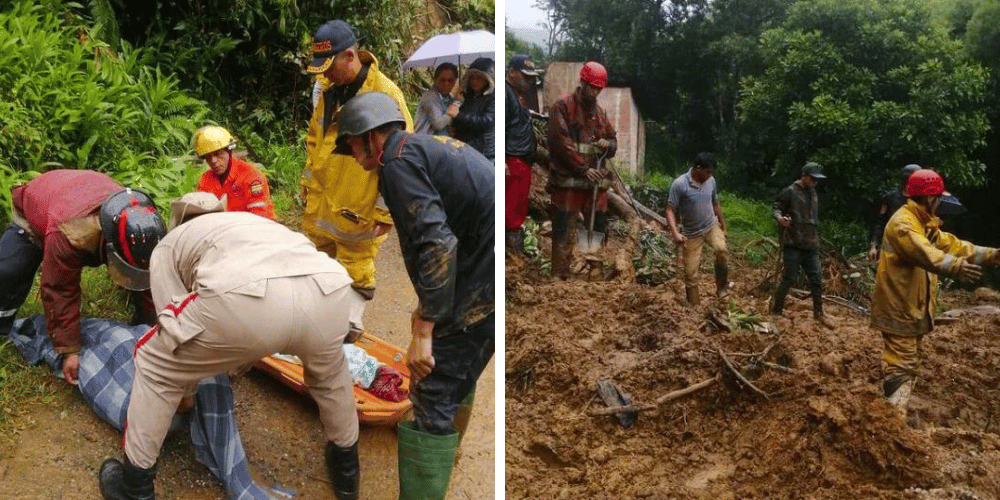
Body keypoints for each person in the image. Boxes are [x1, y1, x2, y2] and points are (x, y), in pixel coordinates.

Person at [98, 192, 366, 500]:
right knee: (330, 377)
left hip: (243, 298)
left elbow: (173, 329)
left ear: (177, 222)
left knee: (155, 363)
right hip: (330, 289)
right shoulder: (251, 223)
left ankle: (134, 488)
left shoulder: (170, 245)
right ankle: (347, 471)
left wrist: (186, 393)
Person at [334, 92, 493, 500]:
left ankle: (430, 471)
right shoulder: (418, 150)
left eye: (351, 142)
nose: (351, 154)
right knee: (457, 369)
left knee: (433, 383)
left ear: (374, 135)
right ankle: (444, 457)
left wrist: (424, 326)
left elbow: (437, 244)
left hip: (482, 276)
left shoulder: (398, 163)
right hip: (489, 265)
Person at [0, 170, 166, 385]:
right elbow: (60, 288)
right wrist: (70, 350)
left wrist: (156, 327)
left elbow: (151, 278)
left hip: (80, 193)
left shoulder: (144, 226)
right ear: (108, 243)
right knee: (8, 270)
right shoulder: (70, 232)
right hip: (41, 206)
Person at [302, 19, 413, 334]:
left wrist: (386, 209)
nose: (325, 74)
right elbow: (315, 140)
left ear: (349, 56)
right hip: (323, 197)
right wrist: (308, 182)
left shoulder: (385, 94)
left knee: (355, 264)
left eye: (329, 66)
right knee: (317, 261)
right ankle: (319, 319)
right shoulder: (328, 91)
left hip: (358, 200)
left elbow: (402, 155)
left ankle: (348, 326)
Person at [872, 169, 1000, 413]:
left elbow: (954, 244)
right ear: (929, 198)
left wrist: (992, 255)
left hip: (911, 307)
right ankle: (889, 423)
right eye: (939, 197)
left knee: (908, 365)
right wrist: (956, 266)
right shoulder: (904, 225)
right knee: (903, 368)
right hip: (898, 308)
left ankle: (890, 416)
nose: (941, 203)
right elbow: (927, 254)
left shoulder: (922, 222)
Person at [546, 61, 617, 279]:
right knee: (564, 226)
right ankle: (559, 273)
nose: (594, 92)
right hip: (569, 181)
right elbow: (561, 144)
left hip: (595, 184)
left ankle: (595, 270)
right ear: (583, 83)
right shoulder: (562, 108)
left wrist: (608, 144)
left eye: (598, 89)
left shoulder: (601, 113)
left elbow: (613, 141)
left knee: (597, 227)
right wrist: (583, 168)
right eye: (591, 87)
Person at [771, 162, 836, 329]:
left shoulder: (813, 192)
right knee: (788, 278)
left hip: (811, 244)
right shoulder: (790, 191)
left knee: (816, 279)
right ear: (804, 176)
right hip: (793, 243)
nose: (815, 182)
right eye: (813, 179)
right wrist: (780, 219)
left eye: (816, 180)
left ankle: (819, 313)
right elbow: (776, 208)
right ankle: (776, 311)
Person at [666, 152, 729, 305]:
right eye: (708, 171)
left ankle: (722, 289)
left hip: (711, 225)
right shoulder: (679, 184)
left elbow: (715, 203)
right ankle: (694, 306)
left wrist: (723, 225)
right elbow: (669, 210)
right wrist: (675, 233)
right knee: (690, 274)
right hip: (692, 233)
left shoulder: (711, 181)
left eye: (712, 172)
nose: (710, 174)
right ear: (698, 168)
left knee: (721, 250)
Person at [192, 125, 276, 220]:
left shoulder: (251, 176)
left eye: (217, 154)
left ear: (229, 151)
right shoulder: (206, 180)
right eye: (208, 157)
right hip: (220, 230)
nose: (213, 161)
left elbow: (261, 217)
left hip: (253, 228)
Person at [504, 54, 538, 256]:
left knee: (518, 207)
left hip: (522, 159)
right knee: (510, 209)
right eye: (526, 77)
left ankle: (514, 253)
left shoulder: (518, 95)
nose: (530, 81)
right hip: (512, 158)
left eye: (532, 78)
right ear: (512, 73)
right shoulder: (506, 95)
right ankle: (510, 256)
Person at [869, 164, 922, 261]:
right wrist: (874, 245)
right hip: (892, 250)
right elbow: (880, 223)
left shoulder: (921, 200)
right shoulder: (891, 198)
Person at [452, 57, 495, 161]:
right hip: (464, 148)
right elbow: (456, 119)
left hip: (483, 151)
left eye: (480, 77)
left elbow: (485, 122)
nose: (475, 81)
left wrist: (459, 115)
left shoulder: (493, 98)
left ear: (487, 79)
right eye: (473, 77)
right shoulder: (466, 95)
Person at [414, 62, 460, 136]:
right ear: (435, 80)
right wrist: (451, 114)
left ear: (455, 81)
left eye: (450, 80)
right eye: (442, 80)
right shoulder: (430, 97)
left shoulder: (450, 98)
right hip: (425, 143)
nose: (446, 83)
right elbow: (438, 124)